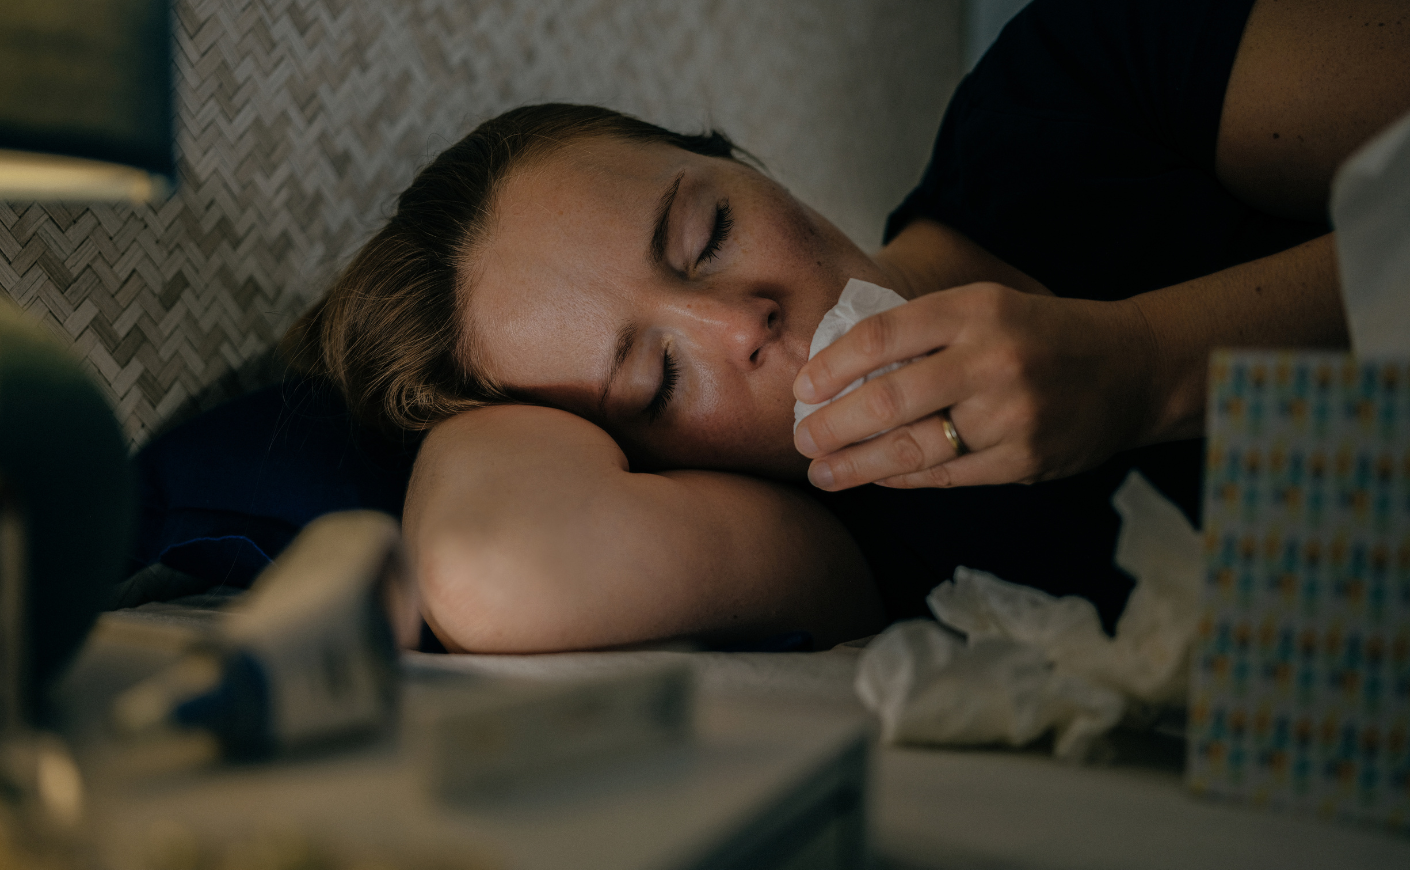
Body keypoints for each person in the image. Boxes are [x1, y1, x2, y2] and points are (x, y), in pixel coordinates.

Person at [289, 0, 1410, 653]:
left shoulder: (1079, 77)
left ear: (741, 162)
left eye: (708, 232)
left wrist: (1148, 366)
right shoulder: (850, 543)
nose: (738, 324)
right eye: (657, 382)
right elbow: (492, 561)